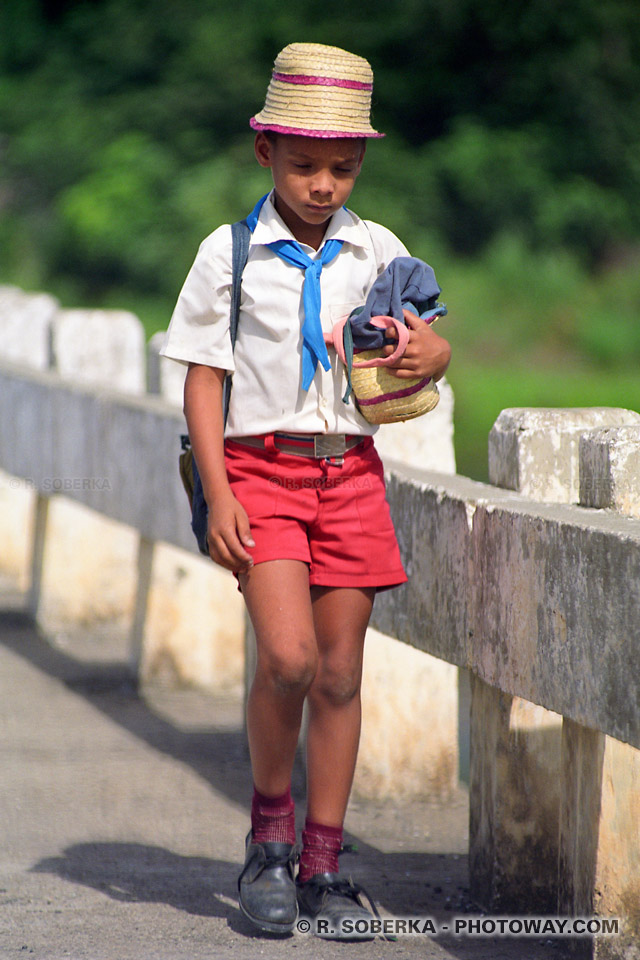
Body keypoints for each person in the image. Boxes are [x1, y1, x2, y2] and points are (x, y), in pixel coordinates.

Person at [161, 41, 451, 938]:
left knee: (338, 671)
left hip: (350, 472)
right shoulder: (231, 254)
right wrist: (220, 494)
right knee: (284, 657)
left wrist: (421, 350)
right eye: (304, 165)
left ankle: (325, 862)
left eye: (343, 167)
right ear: (265, 153)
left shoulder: (380, 249)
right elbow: (202, 377)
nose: (324, 184)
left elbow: (433, 347)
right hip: (262, 471)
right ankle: (270, 836)